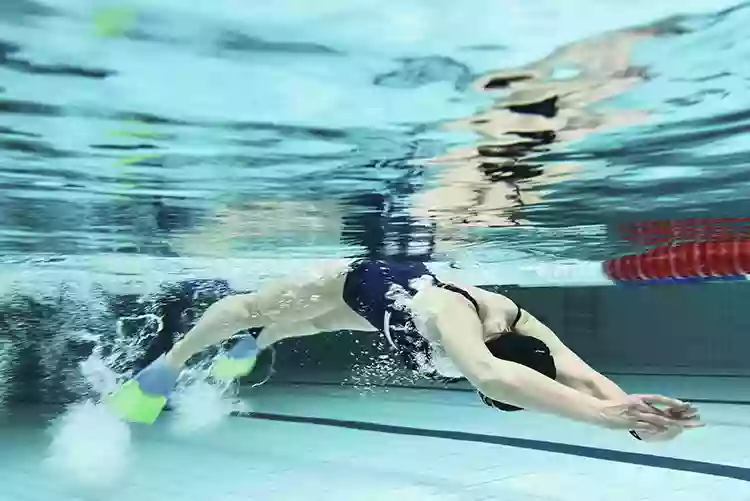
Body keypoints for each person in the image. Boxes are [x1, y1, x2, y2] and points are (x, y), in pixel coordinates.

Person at [107, 259, 702, 440]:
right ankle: (169, 364)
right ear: (497, 351)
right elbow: (495, 378)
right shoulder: (462, 316)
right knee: (253, 308)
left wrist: (635, 415)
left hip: (389, 322)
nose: (479, 389)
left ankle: (253, 345)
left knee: (313, 328)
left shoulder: (526, 332)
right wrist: (601, 417)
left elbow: (589, 376)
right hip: (363, 282)